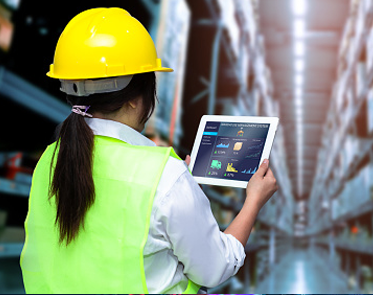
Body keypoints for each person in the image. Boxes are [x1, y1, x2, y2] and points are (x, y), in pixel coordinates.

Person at [19, 7, 278, 293]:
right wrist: (253, 200)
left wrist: (179, 188)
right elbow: (215, 269)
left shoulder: (49, 161)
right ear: (134, 99)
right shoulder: (164, 177)